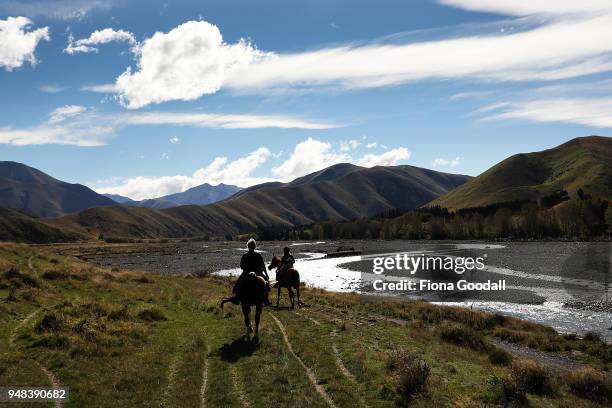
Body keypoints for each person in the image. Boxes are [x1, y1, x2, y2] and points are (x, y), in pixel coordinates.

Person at [224, 238, 270, 306]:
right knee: (266, 284)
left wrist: (246, 268)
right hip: (258, 273)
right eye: (251, 246)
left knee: (237, 284)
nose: (251, 247)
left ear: (248, 246)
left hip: (246, 273)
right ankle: (266, 300)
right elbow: (263, 266)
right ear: (254, 246)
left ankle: (236, 298)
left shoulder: (245, 256)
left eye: (251, 246)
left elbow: (242, 266)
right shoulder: (258, 255)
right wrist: (266, 274)